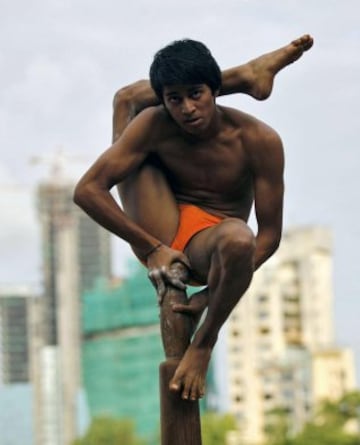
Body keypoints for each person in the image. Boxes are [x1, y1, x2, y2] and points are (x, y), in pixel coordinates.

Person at [74, 35, 313, 402]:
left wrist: (211, 296)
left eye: (197, 94)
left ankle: (204, 344)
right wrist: (151, 247)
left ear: (214, 90)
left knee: (238, 237)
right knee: (127, 101)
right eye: (174, 99)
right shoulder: (155, 124)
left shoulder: (258, 140)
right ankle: (247, 75)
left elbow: (268, 237)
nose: (187, 109)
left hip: (212, 244)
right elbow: (87, 190)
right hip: (159, 227)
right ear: (165, 101)